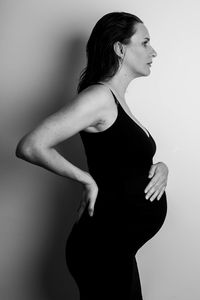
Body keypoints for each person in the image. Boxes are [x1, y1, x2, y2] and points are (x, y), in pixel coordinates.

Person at [16, 11, 168, 300]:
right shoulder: (99, 98)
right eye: (145, 42)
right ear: (120, 48)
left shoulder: (116, 101)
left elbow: (125, 161)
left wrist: (160, 167)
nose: (154, 51)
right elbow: (31, 145)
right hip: (102, 248)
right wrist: (85, 179)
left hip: (118, 247)